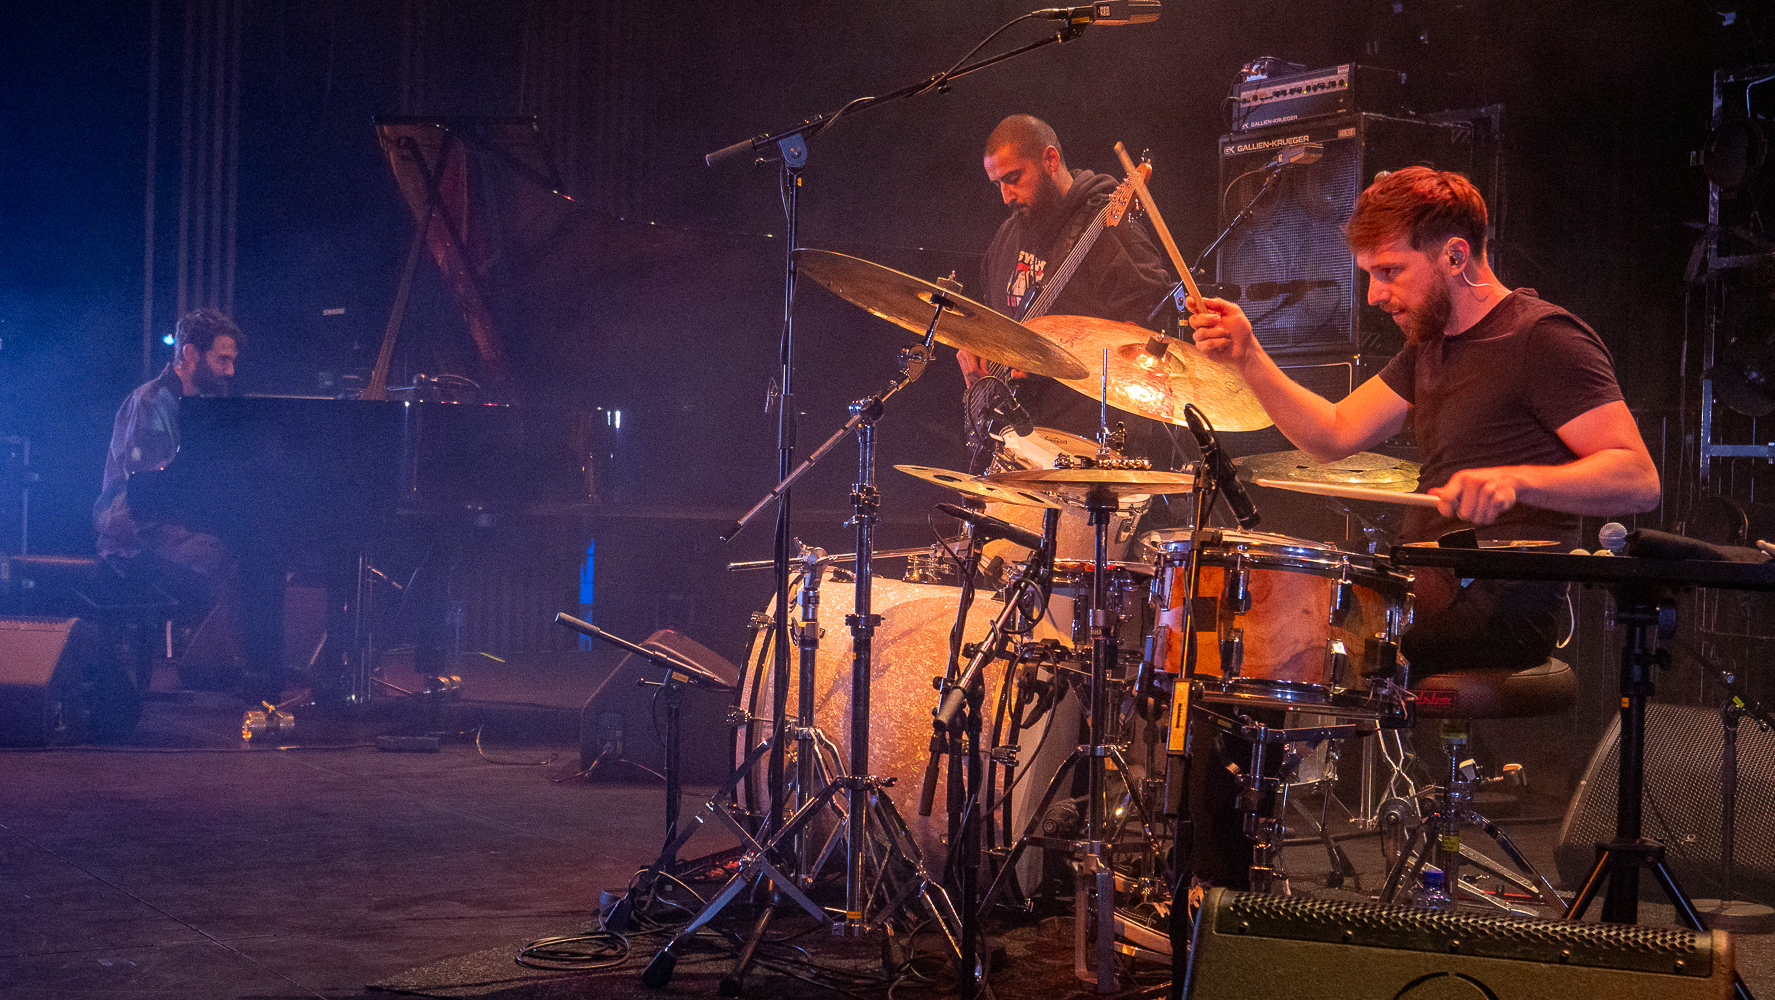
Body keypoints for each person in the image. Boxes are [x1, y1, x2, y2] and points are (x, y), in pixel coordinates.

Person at [1180, 165, 1661, 888]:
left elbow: (1638, 479)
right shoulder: (1431, 347)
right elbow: (1335, 433)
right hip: (1431, 590)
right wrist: (1249, 356)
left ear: (1455, 255)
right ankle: (1218, 897)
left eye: (1389, 272)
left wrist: (1519, 480)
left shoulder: (1543, 339)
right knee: (1231, 648)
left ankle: (1217, 900)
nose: (1375, 295)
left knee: (1263, 652)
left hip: (1503, 602)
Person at [957, 114, 1177, 471]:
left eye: (1014, 179)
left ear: (1051, 160)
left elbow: (1153, 332)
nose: (1006, 195)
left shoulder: (1109, 228)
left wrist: (1052, 353)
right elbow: (995, 315)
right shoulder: (1005, 239)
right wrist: (978, 346)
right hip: (1017, 442)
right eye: (997, 184)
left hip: (1086, 447)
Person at [94, 308, 271, 697]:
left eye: (233, 361)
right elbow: (149, 490)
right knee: (232, 560)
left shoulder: (202, 405)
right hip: (132, 530)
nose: (230, 371)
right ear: (190, 354)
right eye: (222, 359)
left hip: (171, 522)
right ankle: (224, 673)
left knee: (259, 552)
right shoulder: (151, 402)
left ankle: (245, 669)